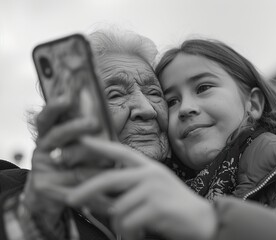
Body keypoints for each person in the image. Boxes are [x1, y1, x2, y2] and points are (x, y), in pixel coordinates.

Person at [61, 39, 276, 240]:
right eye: (171, 100)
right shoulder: (159, 205)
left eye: (203, 87)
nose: (186, 108)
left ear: (253, 104)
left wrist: (216, 224)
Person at [0, 29, 169, 240]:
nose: (148, 109)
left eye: (154, 93)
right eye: (115, 94)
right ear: (68, 116)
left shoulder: (195, 203)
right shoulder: (8, 188)